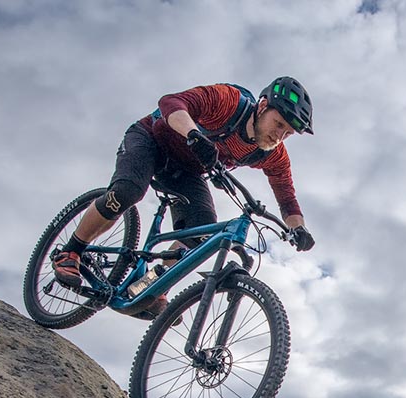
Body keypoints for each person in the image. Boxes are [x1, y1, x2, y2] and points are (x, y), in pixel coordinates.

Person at [52, 76, 316, 319]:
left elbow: (287, 198)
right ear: (262, 105)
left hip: (186, 170)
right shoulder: (229, 102)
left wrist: (298, 229)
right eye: (278, 124)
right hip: (150, 139)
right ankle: (71, 252)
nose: (279, 136)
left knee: (201, 235)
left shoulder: (272, 154)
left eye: (288, 134)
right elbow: (171, 102)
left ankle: (149, 284)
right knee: (127, 192)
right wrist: (194, 135)